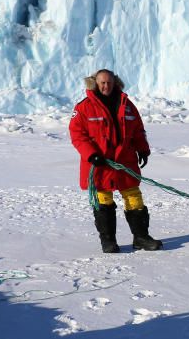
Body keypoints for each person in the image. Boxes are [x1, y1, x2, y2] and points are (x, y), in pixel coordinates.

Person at [69, 69, 163, 253]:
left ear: (115, 83)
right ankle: (108, 241)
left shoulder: (127, 105)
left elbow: (137, 129)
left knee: (134, 197)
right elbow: (77, 135)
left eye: (109, 83)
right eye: (102, 83)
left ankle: (141, 237)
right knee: (103, 200)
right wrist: (91, 154)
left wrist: (143, 148)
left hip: (125, 161)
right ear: (95, 83)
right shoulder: (84, 107)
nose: (106, 86)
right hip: (100, 163)